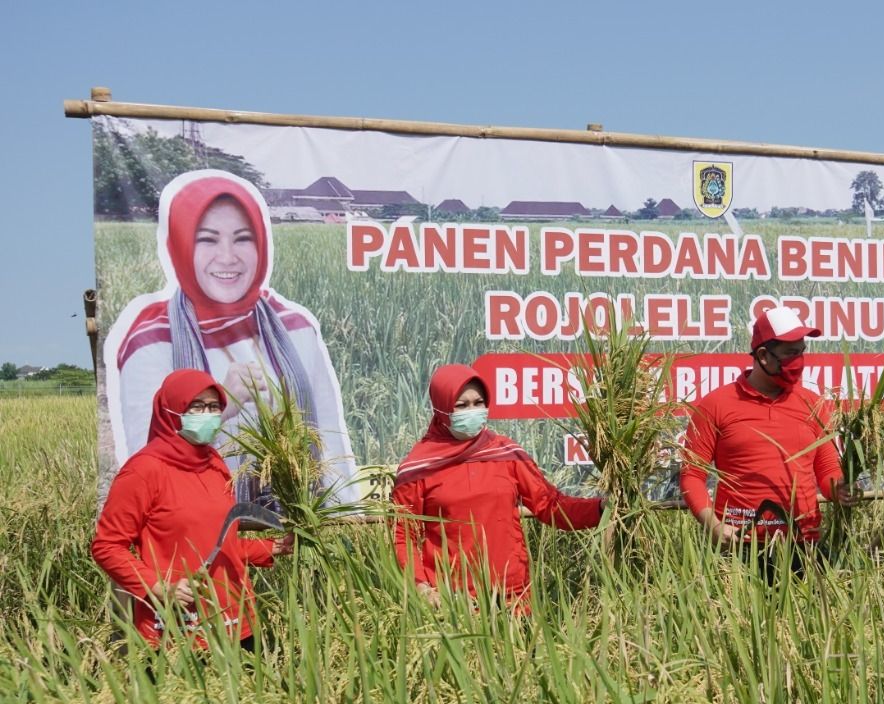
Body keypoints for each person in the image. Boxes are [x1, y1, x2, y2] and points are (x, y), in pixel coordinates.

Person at [104, 169, 358, 504]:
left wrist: (340, 527)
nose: (228, 257)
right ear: (180, 246)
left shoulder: (294, 328)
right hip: (201, 535)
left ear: (261, 245)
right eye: (207, 239)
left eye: (242, 238)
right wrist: (223, 403)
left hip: (298, 530)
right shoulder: (153, 341)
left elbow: (328, 442)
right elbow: (148, 460)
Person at [91, 369, 293, 650]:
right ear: (171, 411)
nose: (208, 414)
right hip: (177, 627)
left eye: (213, 407)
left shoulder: (214, 463)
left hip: (235, 620)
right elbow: (107, 546)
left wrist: (271, 548)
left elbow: (221, 543)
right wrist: (160, 587)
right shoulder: (143, 471)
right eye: (196, 406)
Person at [392, 364, 604, 605]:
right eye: (461, 405)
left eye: (478, 402)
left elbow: (550, 506)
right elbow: (402, 536)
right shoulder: (418, 468)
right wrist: (423, 588)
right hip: (455, 603)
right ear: (441, 409)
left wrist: (601, 508)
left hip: (514, 598)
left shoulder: (506, 454)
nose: (472, 411)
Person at [679, 306, 856, 578]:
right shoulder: (716, 405)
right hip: (742, 548)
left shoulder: (814, 405)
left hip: (805, 545)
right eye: (790, 354)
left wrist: (840, 489)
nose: (799, 361)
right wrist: (714, 527)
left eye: (801, 351)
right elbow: (692, 476)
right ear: (763, 356)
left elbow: (827, 471)